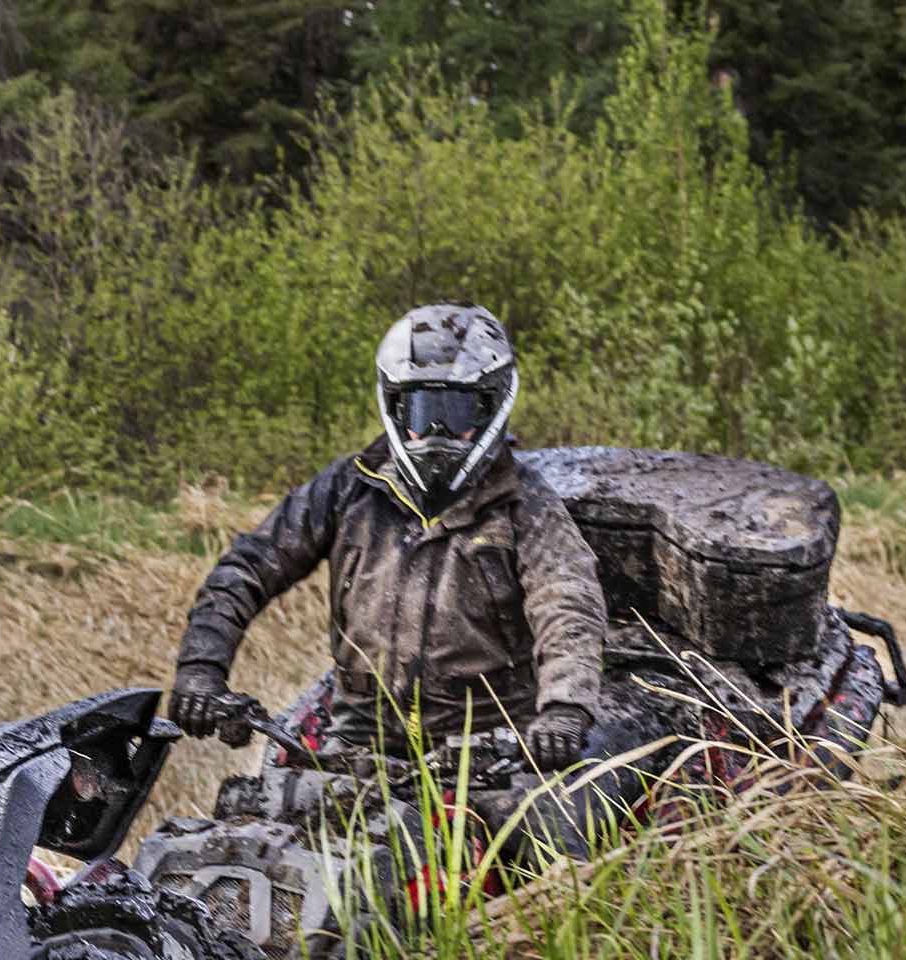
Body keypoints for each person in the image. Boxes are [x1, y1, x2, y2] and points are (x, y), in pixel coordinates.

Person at [170, 304, 632, 853]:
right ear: (392, 404)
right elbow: (249, 566)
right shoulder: (348, 489)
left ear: (492, 408)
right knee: (254, 841)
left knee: (549, 847)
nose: (436, 431)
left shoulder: (524, 506)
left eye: (456, 412)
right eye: (421, 410)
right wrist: (201, 671)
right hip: (358, 742)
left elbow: (567, 601)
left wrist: (564, 710)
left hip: (486, 755)